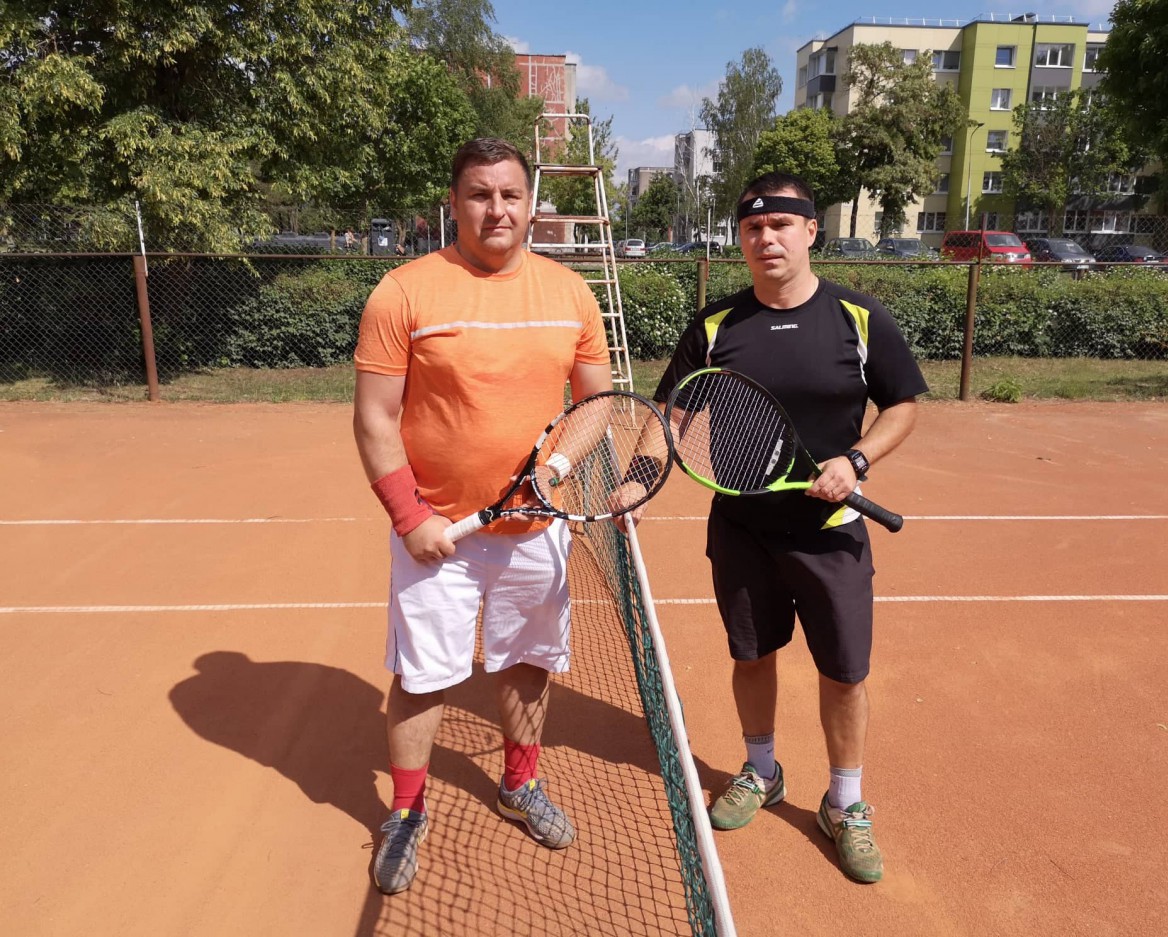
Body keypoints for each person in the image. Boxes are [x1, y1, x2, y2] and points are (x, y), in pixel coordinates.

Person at [352, 137, 612, 895]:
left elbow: (596, 405)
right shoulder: (402, 292)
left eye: (509, 194)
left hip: (536, 529)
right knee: (423, 675)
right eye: (479, 194)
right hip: (436, 531)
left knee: (527, 661)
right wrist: (410, 517)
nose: (496, 209)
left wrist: (556, 470)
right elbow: (374, 417)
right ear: (454, 202)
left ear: (530, 203)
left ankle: (519, 784)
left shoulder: (570, 293)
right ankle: (406, 810)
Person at [652, 172, 927, 884]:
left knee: (844, 673)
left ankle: (844, 803)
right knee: (752, 656)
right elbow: (670, 417)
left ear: (810, 231)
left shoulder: (858, 318)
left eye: (779, 225)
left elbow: (902, 405)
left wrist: (856, 459)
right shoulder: (715, 325)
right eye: (752, 227)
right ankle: (762, 770)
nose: (765, 238)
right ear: (740, 238)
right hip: (742, 526)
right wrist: (636, 480)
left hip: (831, 530)